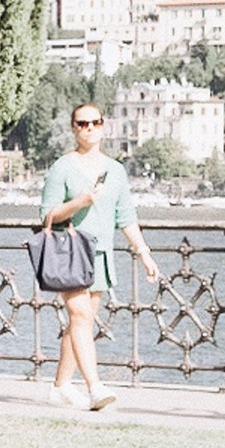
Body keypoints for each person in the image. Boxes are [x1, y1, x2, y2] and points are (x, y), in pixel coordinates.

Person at [37, 104, 158, 413]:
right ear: (74, 128)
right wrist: (81, 201)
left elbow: (126, 217)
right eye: (82, 123)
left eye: (94, 122)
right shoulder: (62, 167)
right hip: (70, 252)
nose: (88, 128)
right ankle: (95, 387)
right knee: (79, 317)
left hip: (101, 254)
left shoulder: (115, 170)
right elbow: (47, 215)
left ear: (103, 126)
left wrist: (144, 253)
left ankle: (60, 386)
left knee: (83, 322)